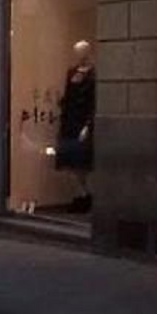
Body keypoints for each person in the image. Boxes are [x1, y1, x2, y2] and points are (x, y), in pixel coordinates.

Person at [56, 40, 96, 213]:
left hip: (82, 121)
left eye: (81, 53)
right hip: (69, 121)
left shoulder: (94, 75)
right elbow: (68, 95)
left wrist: (88, 125)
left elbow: (93, 101)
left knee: (81, 163)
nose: (79, 56)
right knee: (68, 162)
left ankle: (83, 197)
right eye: (76, 53)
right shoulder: (71, 72)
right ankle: (82, 195)